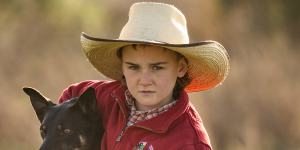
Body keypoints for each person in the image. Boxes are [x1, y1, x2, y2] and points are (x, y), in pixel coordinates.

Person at [59, 2, 229, 150]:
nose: (145, 80)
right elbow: (69, 97)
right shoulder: (106, 97)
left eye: (157, 68)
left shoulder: (188, 142)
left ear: (181, 68)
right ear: (122, 67)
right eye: (133, 67)